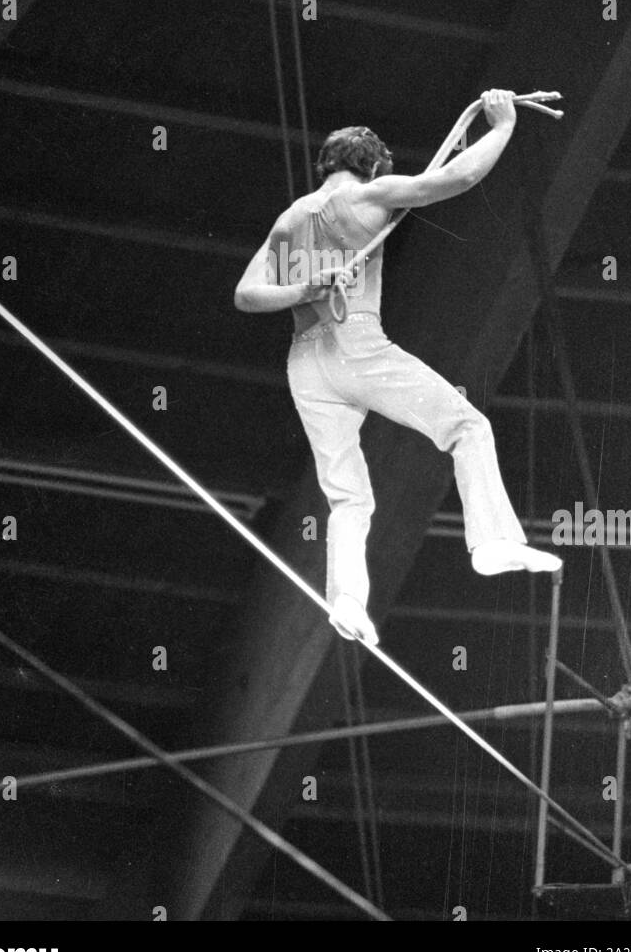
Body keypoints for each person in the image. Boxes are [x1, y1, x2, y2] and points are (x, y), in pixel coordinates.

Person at [234, 90, 562, 646]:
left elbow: (246, 295)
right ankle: (490, 543)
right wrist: (503, 127)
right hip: (356, 344)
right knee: (466, 427)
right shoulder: (371, 194)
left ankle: (346, 601)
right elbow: (455, 179)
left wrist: (303, 286)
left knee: (348, 498)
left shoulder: (287, 221)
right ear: (370, 166)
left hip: (306, 363)